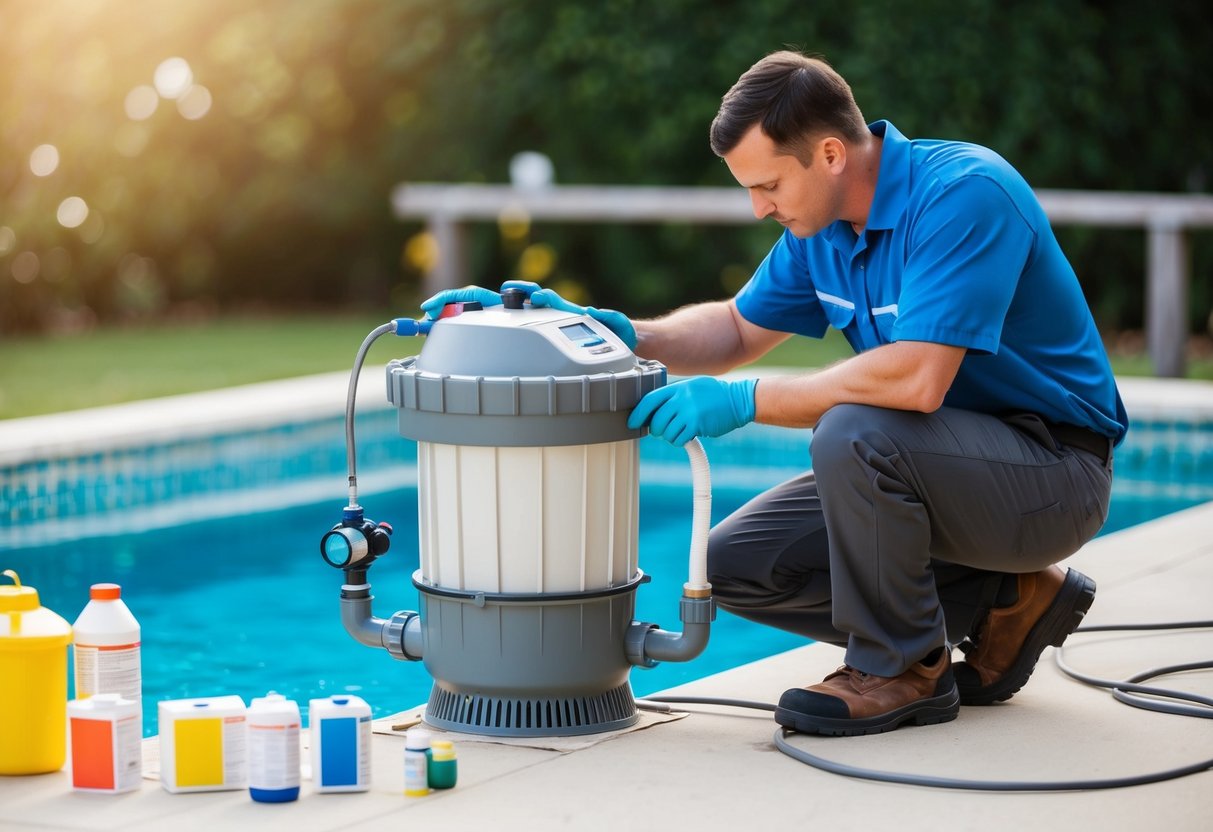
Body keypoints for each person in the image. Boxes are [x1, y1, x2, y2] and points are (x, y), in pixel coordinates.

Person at [421, 50, 1127, 738]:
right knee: (738, 566)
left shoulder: (963, 195)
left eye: (767, 186)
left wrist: (742, 401)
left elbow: (916, 380)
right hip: (941, 465)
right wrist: (621, 333)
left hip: (1051, 473)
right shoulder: (818, 227)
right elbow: (732, 328)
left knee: (853, 430)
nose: (759, 208)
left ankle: (902, 668)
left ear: (828, 155)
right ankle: (1007, 599)